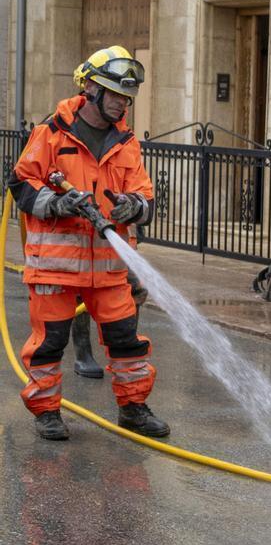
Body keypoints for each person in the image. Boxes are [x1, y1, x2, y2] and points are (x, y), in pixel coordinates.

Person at [7, 45, 168, 441]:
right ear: (91, 90)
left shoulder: (126, 141)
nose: (121, 103)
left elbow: (146, 197)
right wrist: (57, 203)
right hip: (55, 268)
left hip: (110, 268)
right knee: (50, 343)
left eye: (126, 97)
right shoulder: (52, 133)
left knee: (127, 342)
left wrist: (134, 208)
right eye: (114, 94)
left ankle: (132, 408)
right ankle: (47, 412)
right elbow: (20, 183)